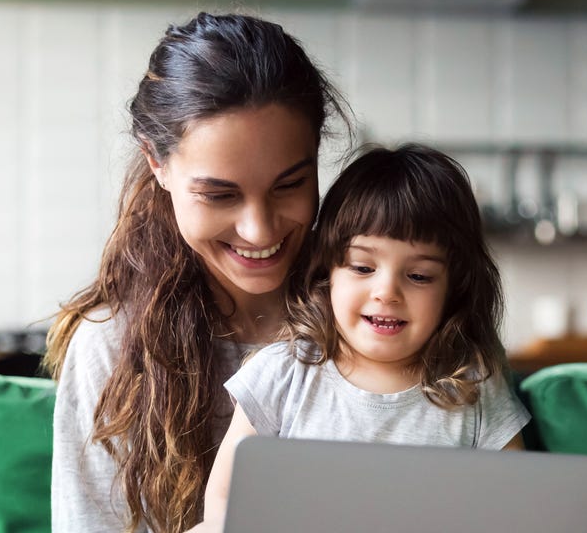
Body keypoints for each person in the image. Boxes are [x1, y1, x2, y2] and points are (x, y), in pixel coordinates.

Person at [43, 12, 351, 533]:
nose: (259, 230)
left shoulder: (375, 316)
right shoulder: (110, 345)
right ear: (156, 162)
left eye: (289, 185)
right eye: (219, 194)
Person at [200, 144, 531, 528]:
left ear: (453, 290)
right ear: (328, 272)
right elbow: (225, 497)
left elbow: (516, 510)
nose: (387, 292)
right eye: (362, 267)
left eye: (419, 276)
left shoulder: (474, 390)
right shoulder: (283, 374)